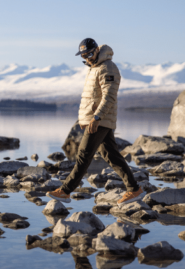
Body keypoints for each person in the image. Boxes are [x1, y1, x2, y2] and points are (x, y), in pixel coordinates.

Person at [46, 38, 145, 206]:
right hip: (97, 120)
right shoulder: (94, 68)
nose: (87, 58)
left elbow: (109, 97)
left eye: (90, 54)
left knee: (83, 155)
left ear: (97, 50)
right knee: (111, 155)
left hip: (100, 120)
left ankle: (65, 191)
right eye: (84, 56)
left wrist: (96, 117)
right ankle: (134, 189)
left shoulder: (108, 67)